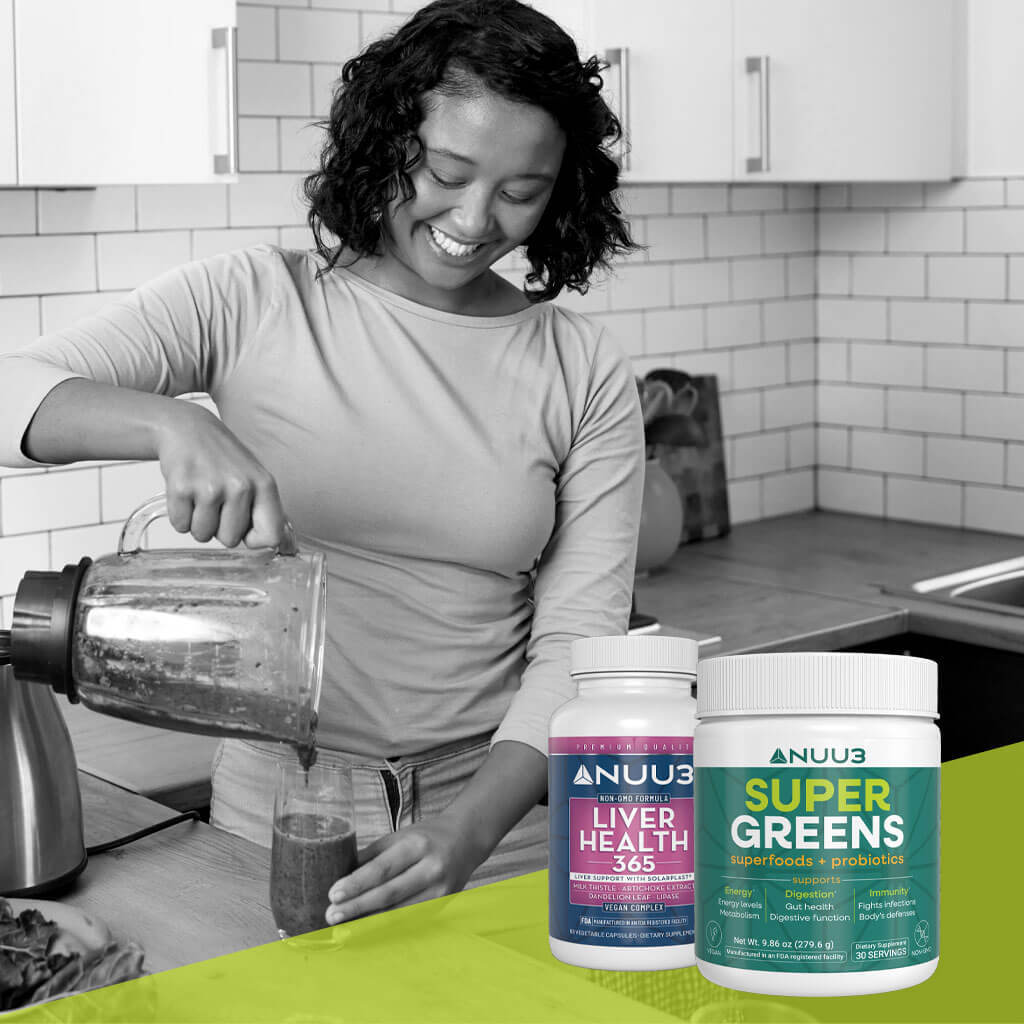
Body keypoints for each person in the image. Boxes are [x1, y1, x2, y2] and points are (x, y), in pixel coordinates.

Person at [0, 0, 644, 925]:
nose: (473, 218)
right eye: (447, 172)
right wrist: (169, 426)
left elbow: (582, 645)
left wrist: (466, 831)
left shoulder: (579, 368)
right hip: (276, 805)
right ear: (387, 141)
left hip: (502, 823)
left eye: (519, 191)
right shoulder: (254, 299)